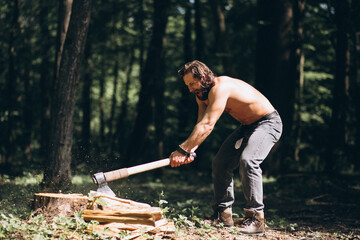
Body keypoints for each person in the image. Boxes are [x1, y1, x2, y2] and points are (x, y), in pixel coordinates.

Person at [169, 60, 283, 235]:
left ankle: (256, 219)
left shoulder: (221, 87)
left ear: (204, 76)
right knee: (221, 163)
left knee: (249, 161)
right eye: (187, 85)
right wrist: (191, 149)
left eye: (192, 83)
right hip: (247, 127)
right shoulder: (201, 94)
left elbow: (208, 125)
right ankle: (223, 215)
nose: (190, 89)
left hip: (268, 123)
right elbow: (201, 124)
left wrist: (182, 150)